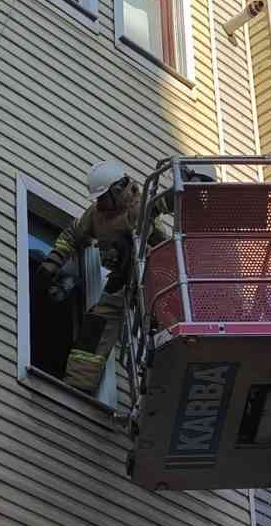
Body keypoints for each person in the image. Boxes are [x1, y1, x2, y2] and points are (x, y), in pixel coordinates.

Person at [36, 159, 216, 392]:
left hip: (153, 272)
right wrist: (53, 262)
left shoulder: (137, 205)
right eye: (98, 199)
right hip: (123, 280)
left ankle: (187, 364)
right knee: (97, 324)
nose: (100, 203)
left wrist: (192, 186)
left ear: (118, 189)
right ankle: (78, 384)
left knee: (164, 321)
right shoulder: (95, 215)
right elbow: (72, 235)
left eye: (103, 197)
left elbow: (163, 202)